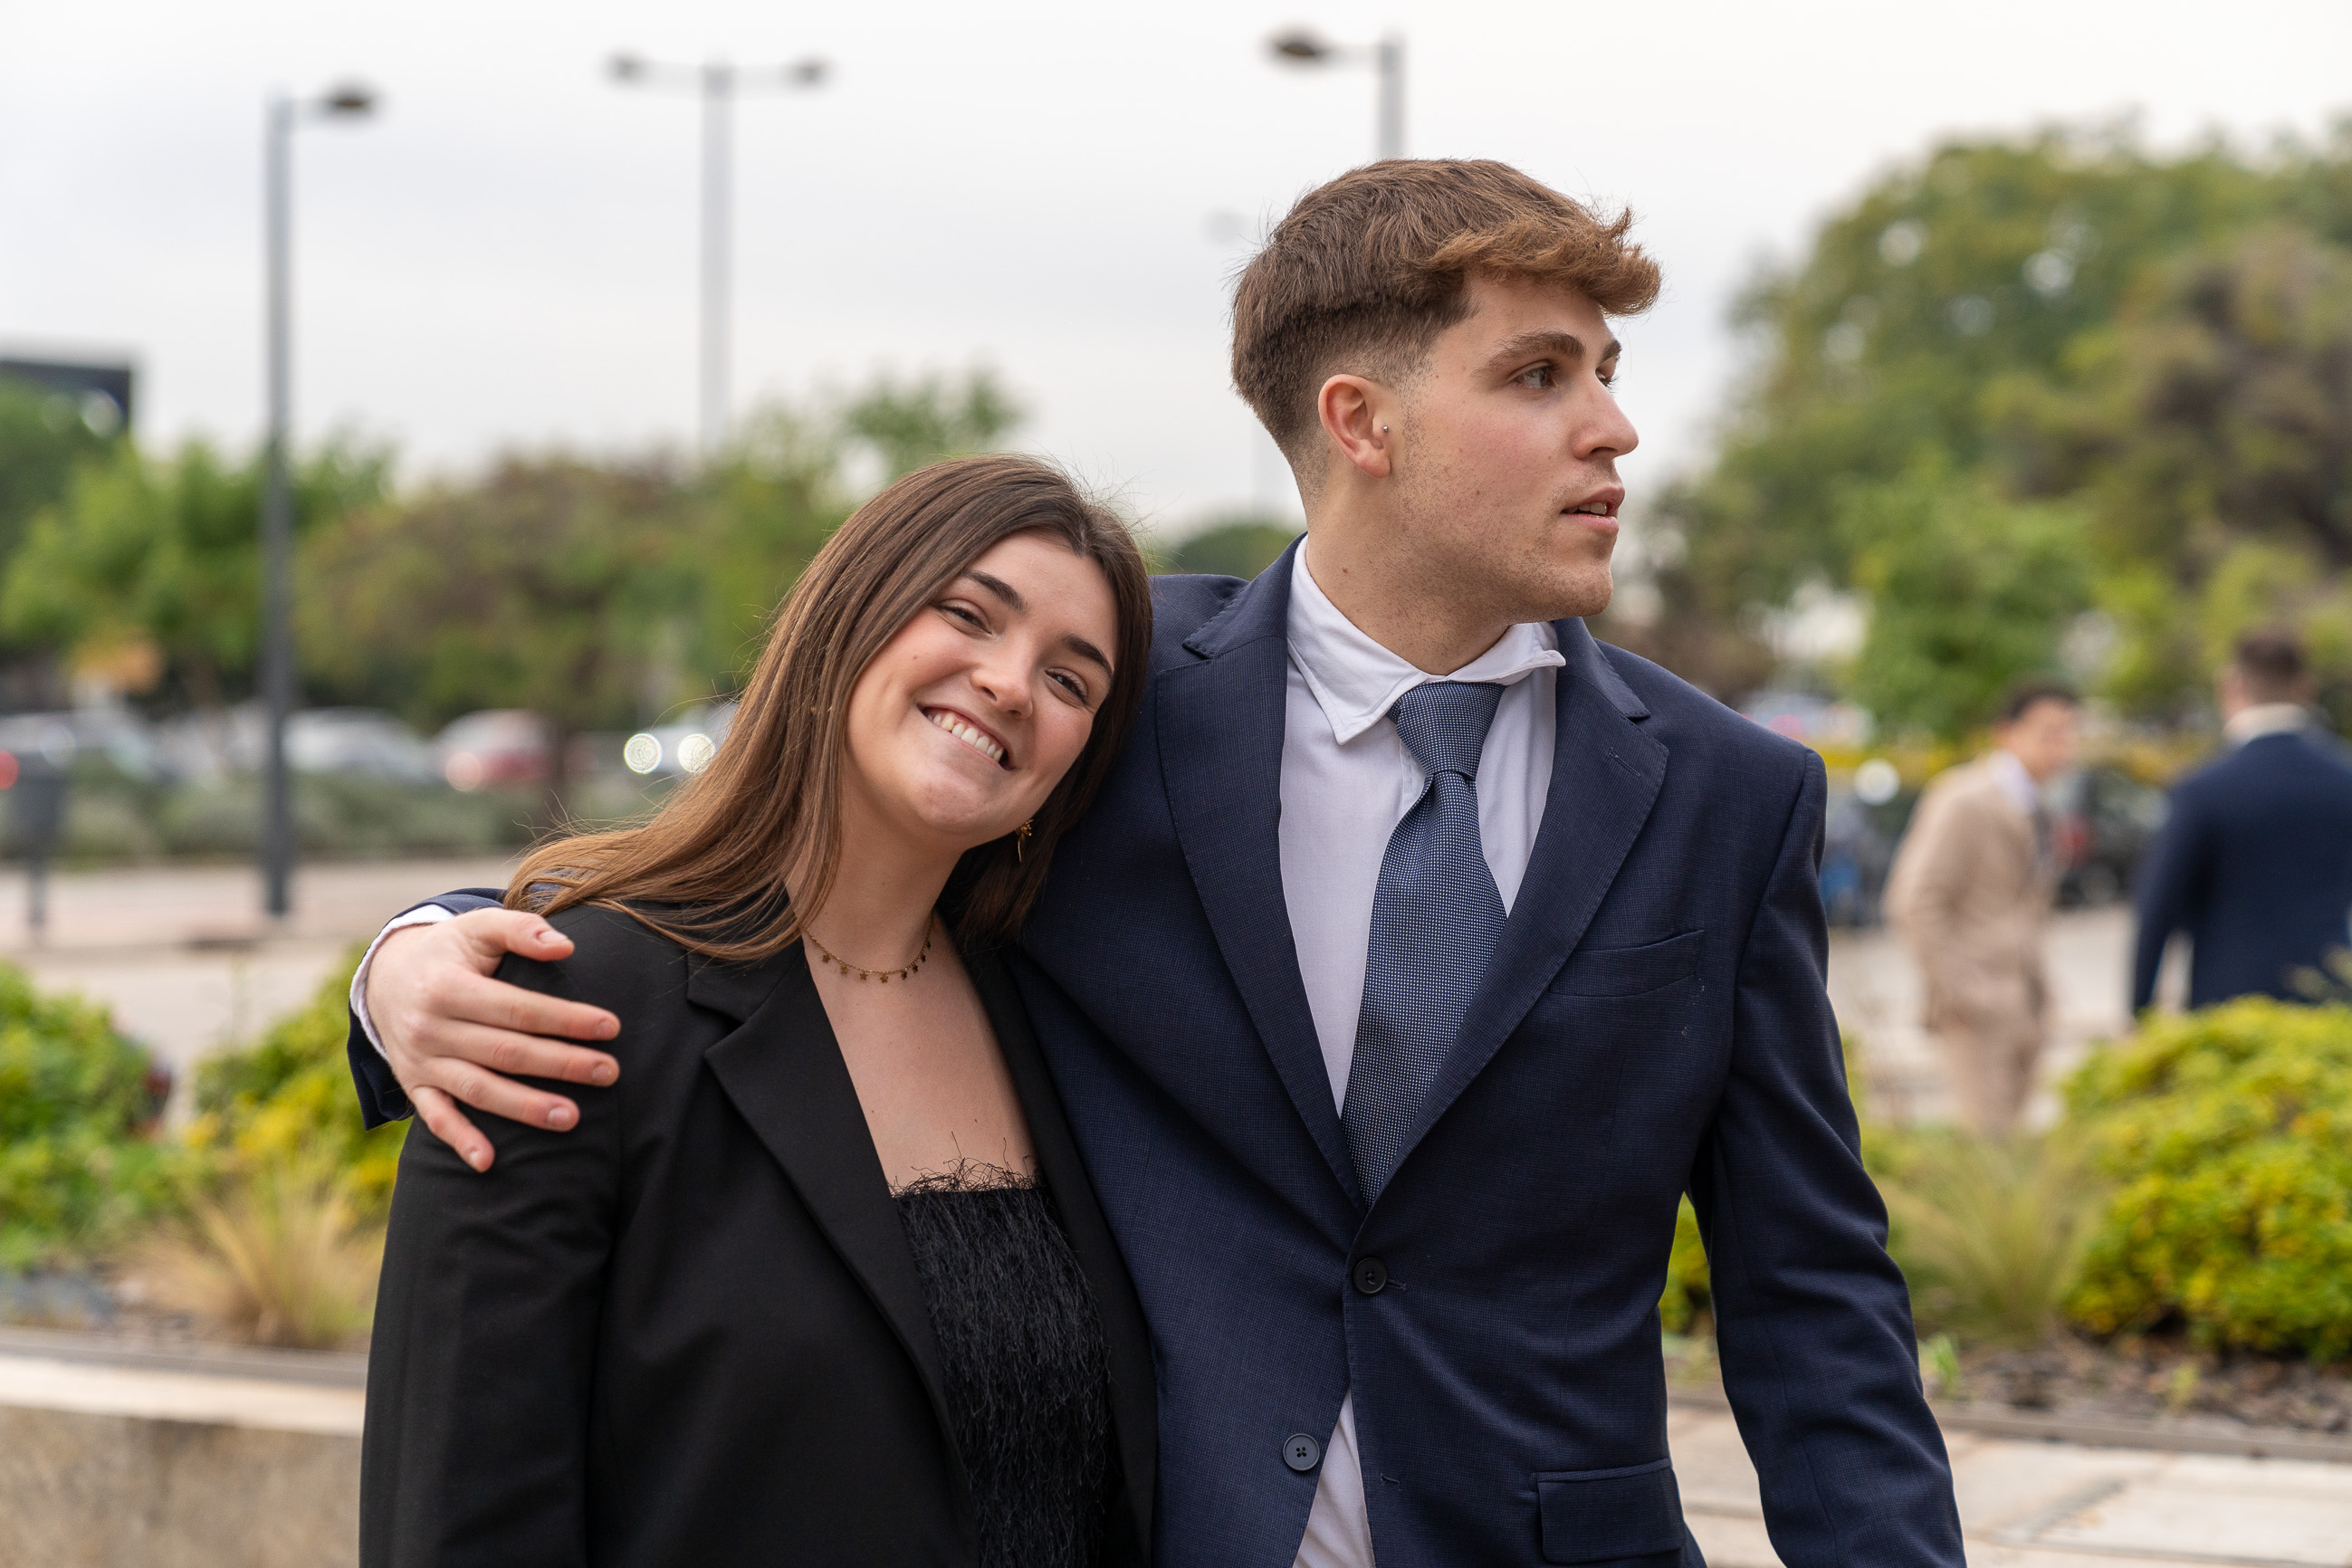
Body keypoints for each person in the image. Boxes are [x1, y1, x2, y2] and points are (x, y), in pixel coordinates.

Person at [352, 161, 1964, 1567]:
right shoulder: (1105, 706)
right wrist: (419, 953)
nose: (1612, 427)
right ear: (1361, 420)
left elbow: (1810, 1291)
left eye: (1605, 371)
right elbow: (807, 859)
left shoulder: (1726, 797)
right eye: (1538, 375)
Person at [359, 455, 1161, 1567]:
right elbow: (462, 1518)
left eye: (1071, 680)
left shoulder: (1060, 1016)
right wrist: (395, 956)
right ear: (848, 619)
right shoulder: (562, 1007)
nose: (1012, 683)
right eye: (969, 614)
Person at [1883, 680, 2082, 1137]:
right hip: (1976, 1008)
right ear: (2007, 733)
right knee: (1986, 1149)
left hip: (2027, 1002)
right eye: (2049, 733)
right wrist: (1963, 991)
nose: (2063, 747)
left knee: (2012, 1146)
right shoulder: (1963, 799)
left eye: (2070, 733)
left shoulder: (2041, 805)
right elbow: (1913, 900)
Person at [2131, 631, 2352, 1012]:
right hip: (2328, 1002)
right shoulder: (2344, 780)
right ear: (2306, 688)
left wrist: (2138, 1008)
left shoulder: (2202, 790)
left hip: (2230, 1008)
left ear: (2231, 686)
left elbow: (2158, 907)